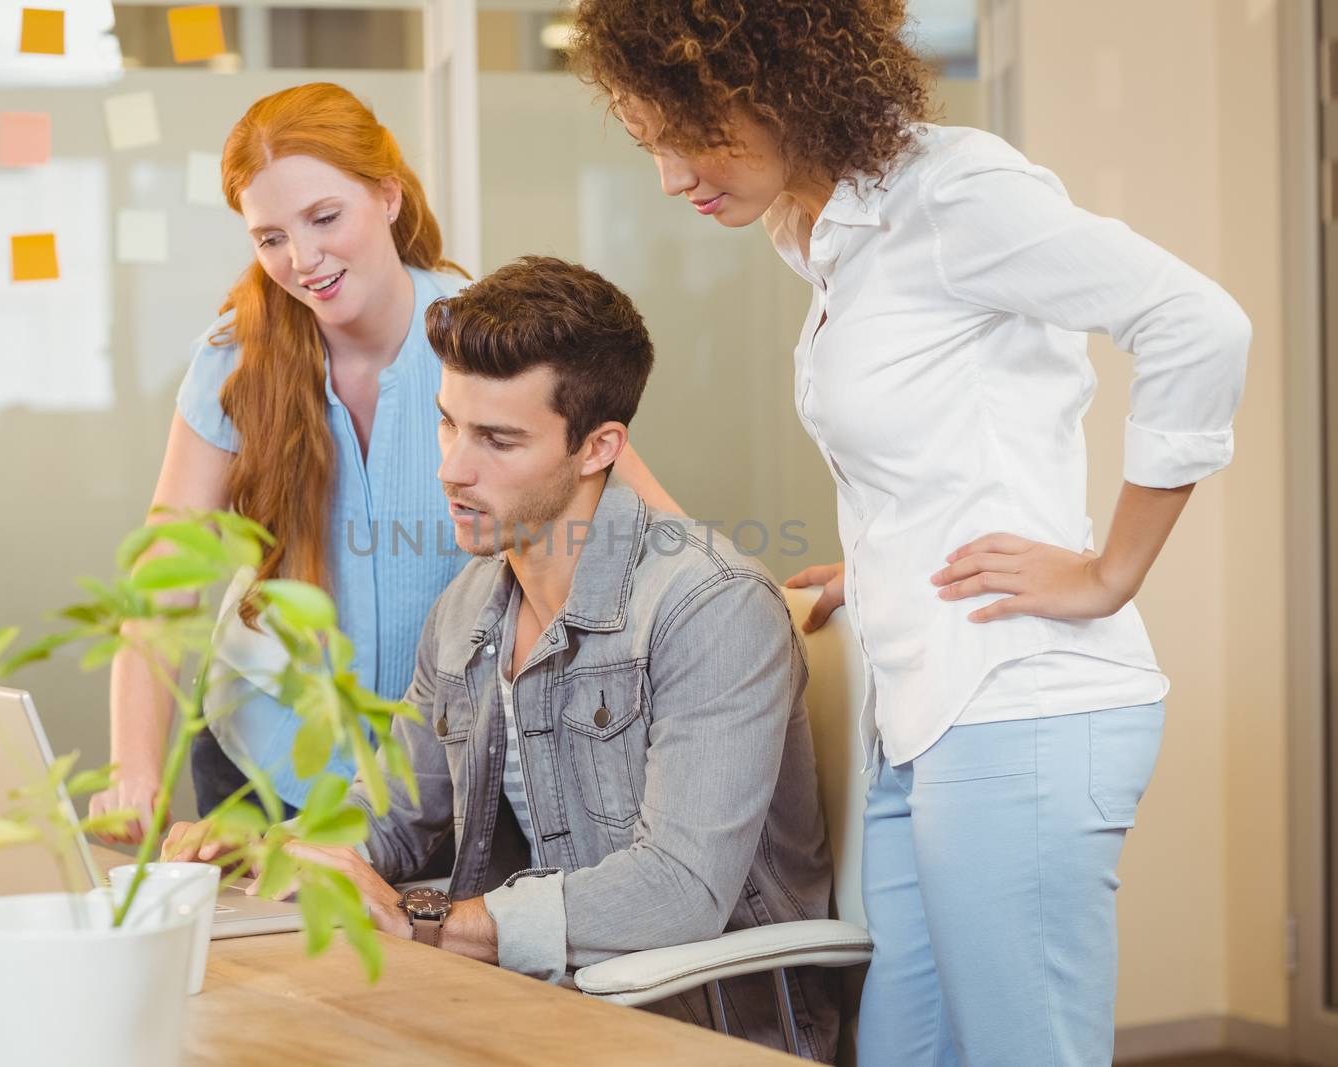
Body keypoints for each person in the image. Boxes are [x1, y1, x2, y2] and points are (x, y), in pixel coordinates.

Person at [570, 3, 1251, 1064]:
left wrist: (1110, 570)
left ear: (781, 75)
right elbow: (952, 424)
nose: (669, 175)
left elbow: (1198, 322)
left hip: (1015, 704)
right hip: (921, 710)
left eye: (690, 131)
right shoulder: (823, 229)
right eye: (649, 139)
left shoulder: (954, 194)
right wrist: (885, 561)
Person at [166, 256, 839, 1059]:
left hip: (700, 1032)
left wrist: (429, 922)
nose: (452, 467)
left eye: (498, 439)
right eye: (450, 422)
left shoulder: (712, 606)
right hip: (529, 1014)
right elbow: (397, 814)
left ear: (598, 447)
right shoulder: (466, 608)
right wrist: (286, 847)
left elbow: (677, 890)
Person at [90, 84, 677, 840]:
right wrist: (132, 765)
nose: (302, 260)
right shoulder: (234, 358)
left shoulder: (481, 339)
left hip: (446, 776)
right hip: (265, 766)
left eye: (324, 217)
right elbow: (161, 581)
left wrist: (763, 611)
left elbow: (647, 524)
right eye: (269, 237)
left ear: (388, 198)